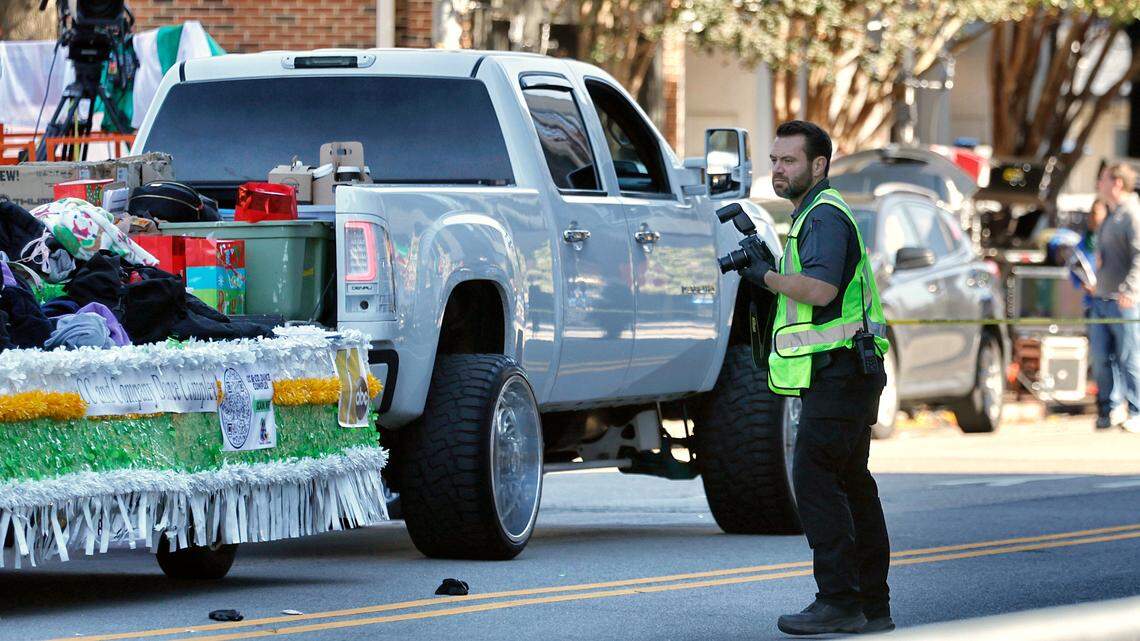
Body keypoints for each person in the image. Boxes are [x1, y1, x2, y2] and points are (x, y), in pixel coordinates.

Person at [731, 120, 893, 635]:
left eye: (789, 161)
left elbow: (820, 292)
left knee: (817, 480)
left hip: (843, 371)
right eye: (774, 160)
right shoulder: (813, 216)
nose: (777, 169)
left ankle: (840, 601)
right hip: (846, 370)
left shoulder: (824, 216)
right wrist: (773, 271)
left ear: (818, 165)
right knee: (850, 485)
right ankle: (870, 606)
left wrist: (764, 275)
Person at [1090, 163, 1140, 433]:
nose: (1099, 184)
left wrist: (1131, 290)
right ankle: (1108, 409)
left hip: (1125, 301)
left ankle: (1136, 410)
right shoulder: (1110, 214)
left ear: (1117, 182)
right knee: (1100, 357)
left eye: (1103, 179)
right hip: (1102, 297)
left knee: (1129, 356)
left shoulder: (1132, 213)